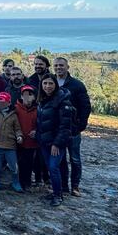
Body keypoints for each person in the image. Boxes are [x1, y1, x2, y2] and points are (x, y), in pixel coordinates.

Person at [53, 57, 91, 197]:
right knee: (60, 159)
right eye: (56, 65)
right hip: (57, 129)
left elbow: (85, 106)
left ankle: (75, 186)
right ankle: (63, 186)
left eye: (61, 65)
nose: (58, 68)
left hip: (73, 129)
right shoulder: (50, 83)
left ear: (68, 67)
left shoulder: (77, 85)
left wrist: (81, 125)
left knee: (75, 159)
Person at [36, 74, 74, 207]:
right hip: (44, 141)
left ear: (55, 85)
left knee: (53, 168)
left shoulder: (63, 101)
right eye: (45, 83)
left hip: (56, 143)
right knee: (51, 167)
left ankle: (58, 195)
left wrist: (57, 144)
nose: (47, 86)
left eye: (50, 83)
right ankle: (56, 192)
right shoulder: (43, 100)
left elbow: (65, 126)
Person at [0, 92, 24, 192]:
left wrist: (19, 136)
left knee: (13, 166)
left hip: (10, 145)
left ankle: (16, 182)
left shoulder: (13, 115)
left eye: (3, 101)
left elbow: (18, 128)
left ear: (9, 102)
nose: (1, 103)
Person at [15, 85, 39, 191]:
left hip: (31, 142)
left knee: (29, 163)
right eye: (25, 95)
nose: (27, 97)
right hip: (18, 141)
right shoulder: (16, 108)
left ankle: (27, 182)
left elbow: (42, 124)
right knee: (18, 163)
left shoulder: (38, 109)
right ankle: (18, 182)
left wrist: (37, 131)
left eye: (30, 95)